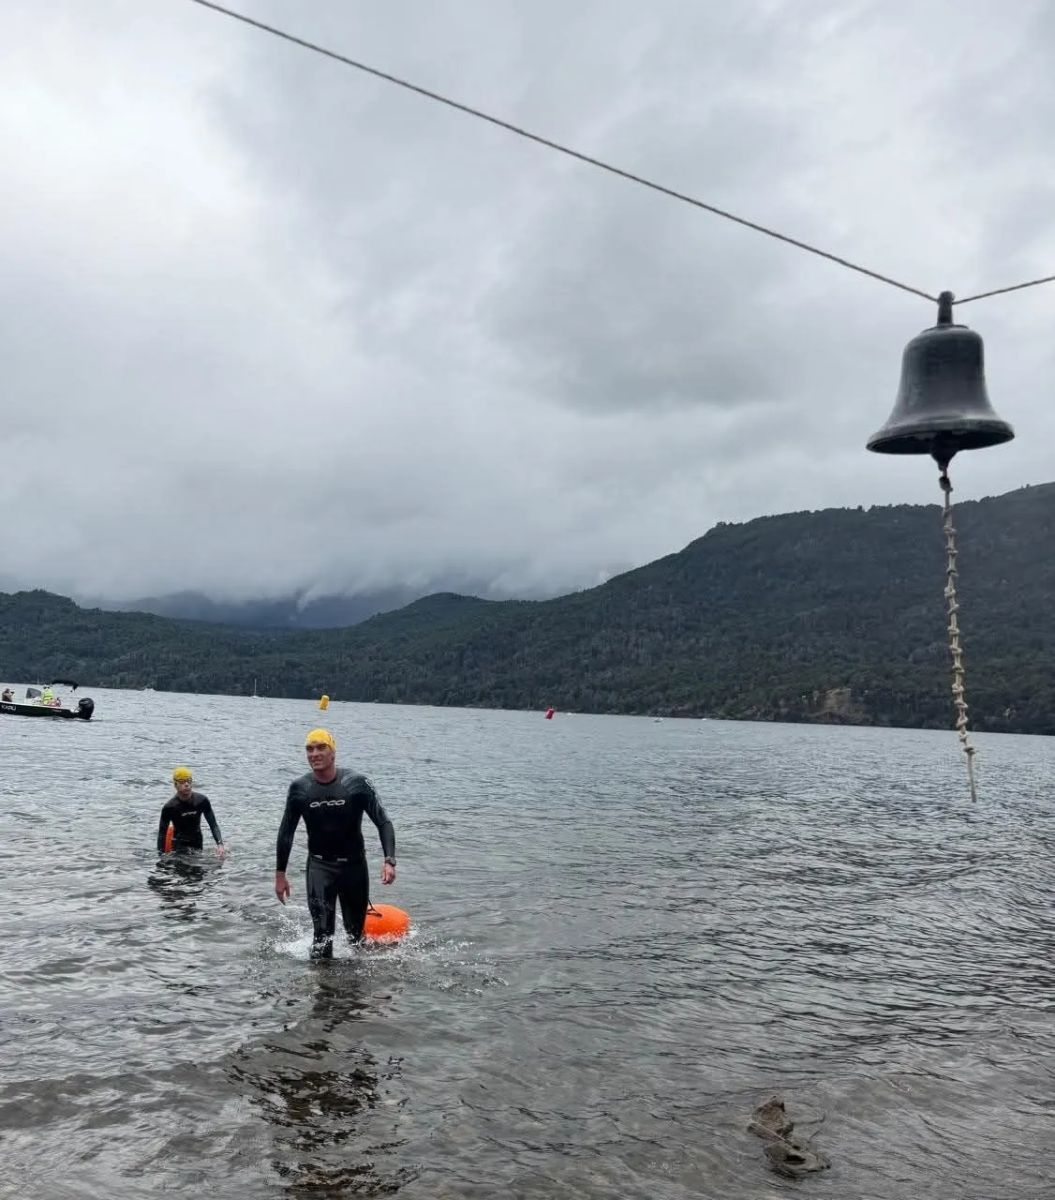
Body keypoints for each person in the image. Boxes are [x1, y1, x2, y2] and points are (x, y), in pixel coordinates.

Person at [275, 728, 396, 960]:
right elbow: (285, 833)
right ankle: (323, 992)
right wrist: (280, 874)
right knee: (322, 938)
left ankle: (353, 992)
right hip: (320, 867)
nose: (314, 753)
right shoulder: (300, 789)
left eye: (321, 747)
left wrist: (389, 860)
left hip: (354, 867)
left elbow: (384, 822)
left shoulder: (356, 783)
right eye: (309, 749)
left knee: (355, 938)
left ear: (333, 753)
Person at [157, 766, 227, 858]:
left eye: (189, 781)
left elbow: (213, 825)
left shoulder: (202, 801)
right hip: (179, 846)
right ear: (175, 784)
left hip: (197, 843)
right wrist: (161, 857)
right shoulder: (170, 807)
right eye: (182, 782)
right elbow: (162, 833)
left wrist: (220, 844)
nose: (187, 784)